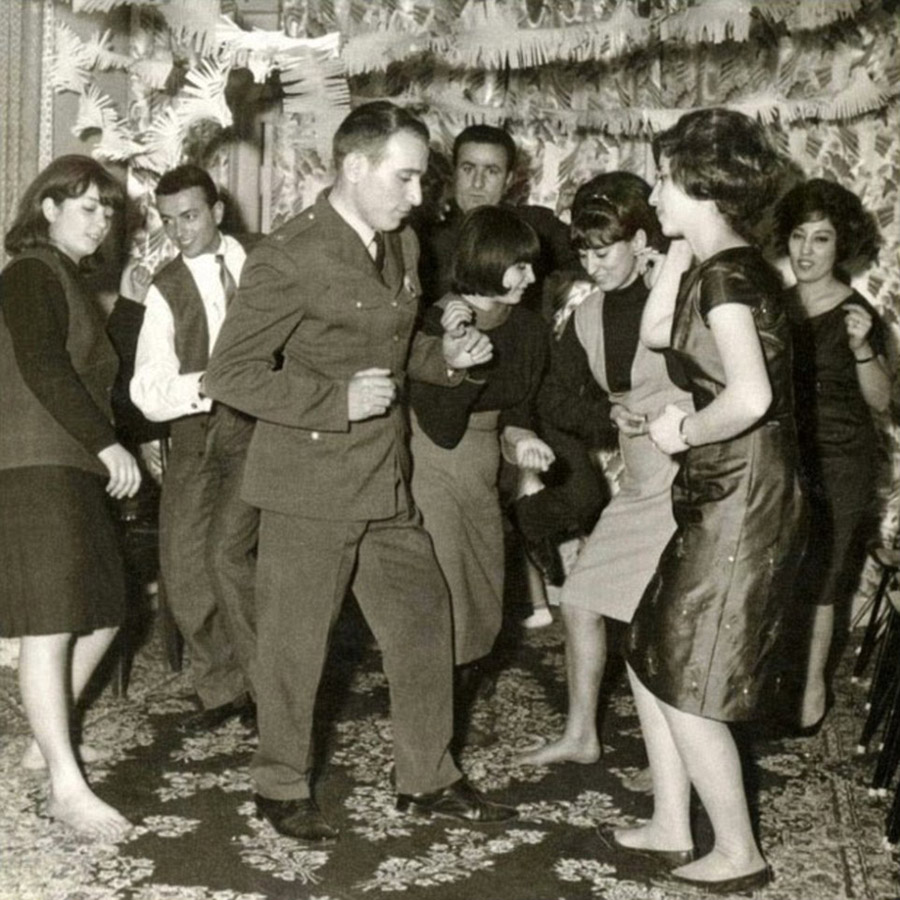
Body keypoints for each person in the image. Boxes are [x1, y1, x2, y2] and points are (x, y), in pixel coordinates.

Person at [204, 100, 517, 844]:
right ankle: (280, 785)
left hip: (385, 479)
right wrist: (333, 400)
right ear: (354, 167)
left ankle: (426, 778)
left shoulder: (402, 244)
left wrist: (445, 361)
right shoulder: (290, 255)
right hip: (308, 484)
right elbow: (229, 373)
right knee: (294, 643)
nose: (419, 197)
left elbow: (395, 346)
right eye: (405, 178)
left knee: (422, 621)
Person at [612, 109, 806, 893]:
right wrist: (684, 241)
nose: (653, 193)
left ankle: (738, 851)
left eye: (663, 177)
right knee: (649, 650)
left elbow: (751, 396)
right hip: (723, 486)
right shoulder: (719, 262)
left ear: (698, 183)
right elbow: (660, 334)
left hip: (743, 490)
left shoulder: (729, 275)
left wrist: (683, 428)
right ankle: (669, 821)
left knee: (690, 675)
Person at [518, 172, 692, 768]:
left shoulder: (680, 294)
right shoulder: (587, 315)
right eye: (585, 252)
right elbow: (557, 401)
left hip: (695, 477)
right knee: (582, 600)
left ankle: (677, 766)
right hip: (644, 482)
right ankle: (581, 736)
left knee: (668, 625)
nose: (594, 265)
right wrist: (608, 412)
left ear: (641, 240)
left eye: (606, 251)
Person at [0, 155, 142, 840]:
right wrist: (107, 444)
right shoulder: (30, 270)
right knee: (51, 626)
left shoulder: (70, 279)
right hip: (36, 464)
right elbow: (42, 365)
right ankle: (64, 781)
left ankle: (43, 740)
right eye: (87, 206)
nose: (103, 220)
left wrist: (115, 443)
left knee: (108, 610)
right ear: (48, 208)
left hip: (70, 462)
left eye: (109, 209)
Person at [409, 205, 555, 751]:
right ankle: (431, 749)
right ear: (487, 261)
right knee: (449, 604)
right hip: (434, 462)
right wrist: (462, 364)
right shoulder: (436, 323)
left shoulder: (528, 328)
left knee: (485, 609)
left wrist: (523, 440)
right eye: (519, 266)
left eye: (531, 267)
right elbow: (442, 428)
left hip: (485, 468)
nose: (532, 278)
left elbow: (517, 407)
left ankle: (444, 727)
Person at [130, 164, 259, 732]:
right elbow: (147, 390)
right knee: (183, 568)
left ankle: (267, 687)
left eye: (189, 217)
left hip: (261, 428)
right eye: (168, 221)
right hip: (195, 429)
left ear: (217, 211)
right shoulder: (165, 288)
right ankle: (222, 686)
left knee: (230, 558)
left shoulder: (263, 264)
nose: (179, 231)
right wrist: (205, 384)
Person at [775, 178, 891, 731]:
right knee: (777, 571)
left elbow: (885, 400)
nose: (806, 251)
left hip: (841, 460)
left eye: (820, 239)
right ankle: (771, 682)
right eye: (798, 236)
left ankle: (813, 686)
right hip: (782, 457)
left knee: (822, 577)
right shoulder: (776, 305)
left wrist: (863, 347)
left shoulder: (857, 313)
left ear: (840, 247)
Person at [415, 123, 580, 317]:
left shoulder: (536, 225)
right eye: (468, 168)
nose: (477, 183)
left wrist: (579, 214)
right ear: (454, 172)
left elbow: (597, 255)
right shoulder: (425, 229)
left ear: (509, 180)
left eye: (491, 171)